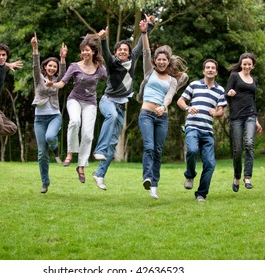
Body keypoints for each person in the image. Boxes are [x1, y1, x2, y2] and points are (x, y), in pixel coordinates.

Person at [92, 16, 153, 191]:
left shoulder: (133, 58)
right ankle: (99, 150)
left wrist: (147, 27)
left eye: (125, 49)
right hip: (107, 101)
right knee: (109, 117)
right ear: (116, 52)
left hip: (121, 107)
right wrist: (103, 39)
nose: (123, 52)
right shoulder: (112, 63)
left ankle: (99, 174)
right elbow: (105, 52)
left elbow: (142, 44)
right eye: (119, 50)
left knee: (113, 144)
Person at [136, 20, 188, 199]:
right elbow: (145, 52)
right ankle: (147, 178)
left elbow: (169, 96)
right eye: (159, 59)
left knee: (158, 151)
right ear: (155, 61)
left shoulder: (172, 80)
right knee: (149, 147)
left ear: (168, 62)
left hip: (162, 116)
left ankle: (154, 185)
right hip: (146, 114)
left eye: (165, 59)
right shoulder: (149, 71)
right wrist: (144, 34)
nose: (161, 61)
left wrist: (164, 106)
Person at [51, 34, 107, 184]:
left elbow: (111, 81)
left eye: (87, 50)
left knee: (88, 135)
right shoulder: (74, 66)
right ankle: (70, 153)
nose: (84, 53)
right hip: (74, 99)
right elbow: (62, 83)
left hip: (90, 103)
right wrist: (52, 85)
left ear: (93, 52)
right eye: (82, 50)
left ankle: (81, 166)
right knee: (75, 121)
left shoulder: (99, 68)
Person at [177, 59, 227, 202]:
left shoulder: (220, 90)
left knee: (210, 164)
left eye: (213, 68)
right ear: (203, 71)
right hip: (192, 127)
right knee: (192, 150)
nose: (210, 70)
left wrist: (215, 113)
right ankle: (190, 174)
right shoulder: (194, 85)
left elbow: (221, 111)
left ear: (216, 72)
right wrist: (188, 108)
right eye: (207, 68)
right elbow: (180, 101)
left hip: (208, 131)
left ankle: (201, 194)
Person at [31, 33, 68, 194]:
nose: (52, 68)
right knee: (41, 154)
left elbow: (64, 75)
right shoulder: (39, 79)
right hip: (39, 118)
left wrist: (63, 58)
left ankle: (55, 148)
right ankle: (45, 182)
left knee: (50, 137)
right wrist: (35, 48)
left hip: (54, 115)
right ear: (45, 67)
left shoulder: (57, 81)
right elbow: (35, 66)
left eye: (55, 66)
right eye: (50, 66)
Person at [225, 53, 263, 192]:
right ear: (241, 64)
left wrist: (256, 120)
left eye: (249, 64)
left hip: (250, 116)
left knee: (249, 144)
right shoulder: (234, 76)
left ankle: (247, 177)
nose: (247, 66)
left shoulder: (254, 80)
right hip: (236, 117)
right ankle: (236, 177)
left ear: (253, 65)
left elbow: (253, 100)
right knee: (238, 149)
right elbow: (225, 94)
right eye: (244, 63)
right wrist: (229, 93)